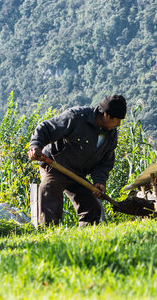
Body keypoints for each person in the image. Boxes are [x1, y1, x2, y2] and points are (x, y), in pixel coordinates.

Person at [28, 95, 126, 227]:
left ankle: (86, 239)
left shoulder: (111, 135)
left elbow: (104, 163)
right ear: (106, 115)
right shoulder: (76, 117)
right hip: (54, 166)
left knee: (92, 207)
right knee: (49, 195)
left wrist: (99, 182)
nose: (119, 124)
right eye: (117, 120)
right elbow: (46, 128)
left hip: (78, 174)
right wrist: (35, 146)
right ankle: (47, 235)